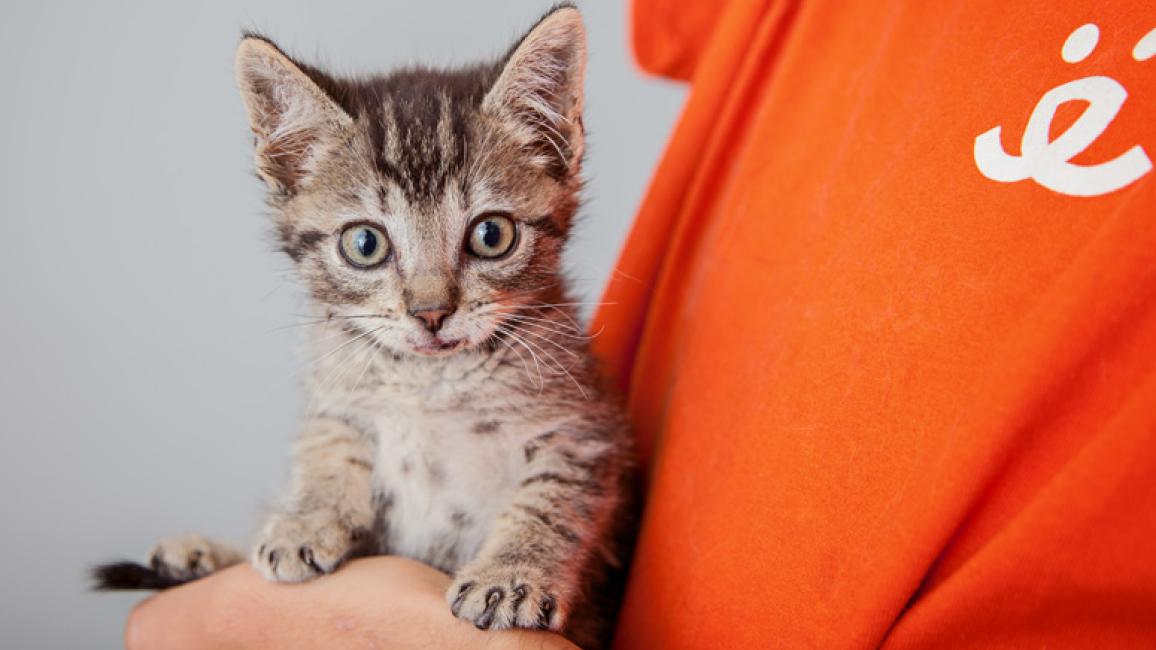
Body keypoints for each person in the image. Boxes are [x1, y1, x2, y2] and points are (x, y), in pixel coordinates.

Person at [126, 0, 1156, 647]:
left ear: (553, 144)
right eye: (368, 246)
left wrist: (525, 564)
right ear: (290, 172)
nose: (431, 298)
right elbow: (341, 444)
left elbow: (580, 456)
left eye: (486, 235)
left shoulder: (538, 358)